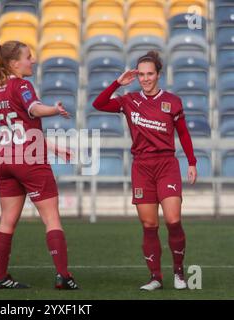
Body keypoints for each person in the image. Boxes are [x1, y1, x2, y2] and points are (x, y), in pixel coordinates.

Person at [92, 51, 198, 291]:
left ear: (159, 74)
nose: (145, 78)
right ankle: (155, 278)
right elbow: (97, 104)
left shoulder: (172, 101)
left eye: (150, 74)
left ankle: (179, 273)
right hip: (141, 167)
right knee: (149, 225)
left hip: (167, 165)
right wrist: (117, 83)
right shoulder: (129, 101)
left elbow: (183, 133)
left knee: (173, 220)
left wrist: (191, 162)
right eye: (141, 74)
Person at [0, 40, 79, 290]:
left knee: (7, 220)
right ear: (13, 63)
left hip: (5, 159)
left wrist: (55, 147)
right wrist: (53, 109)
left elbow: (21, 129)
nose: (33, 60)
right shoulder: (22, 85)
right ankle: (63, 276)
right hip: (28, 161)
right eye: (28, 57)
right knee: (51, 218)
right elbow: (34, 109)